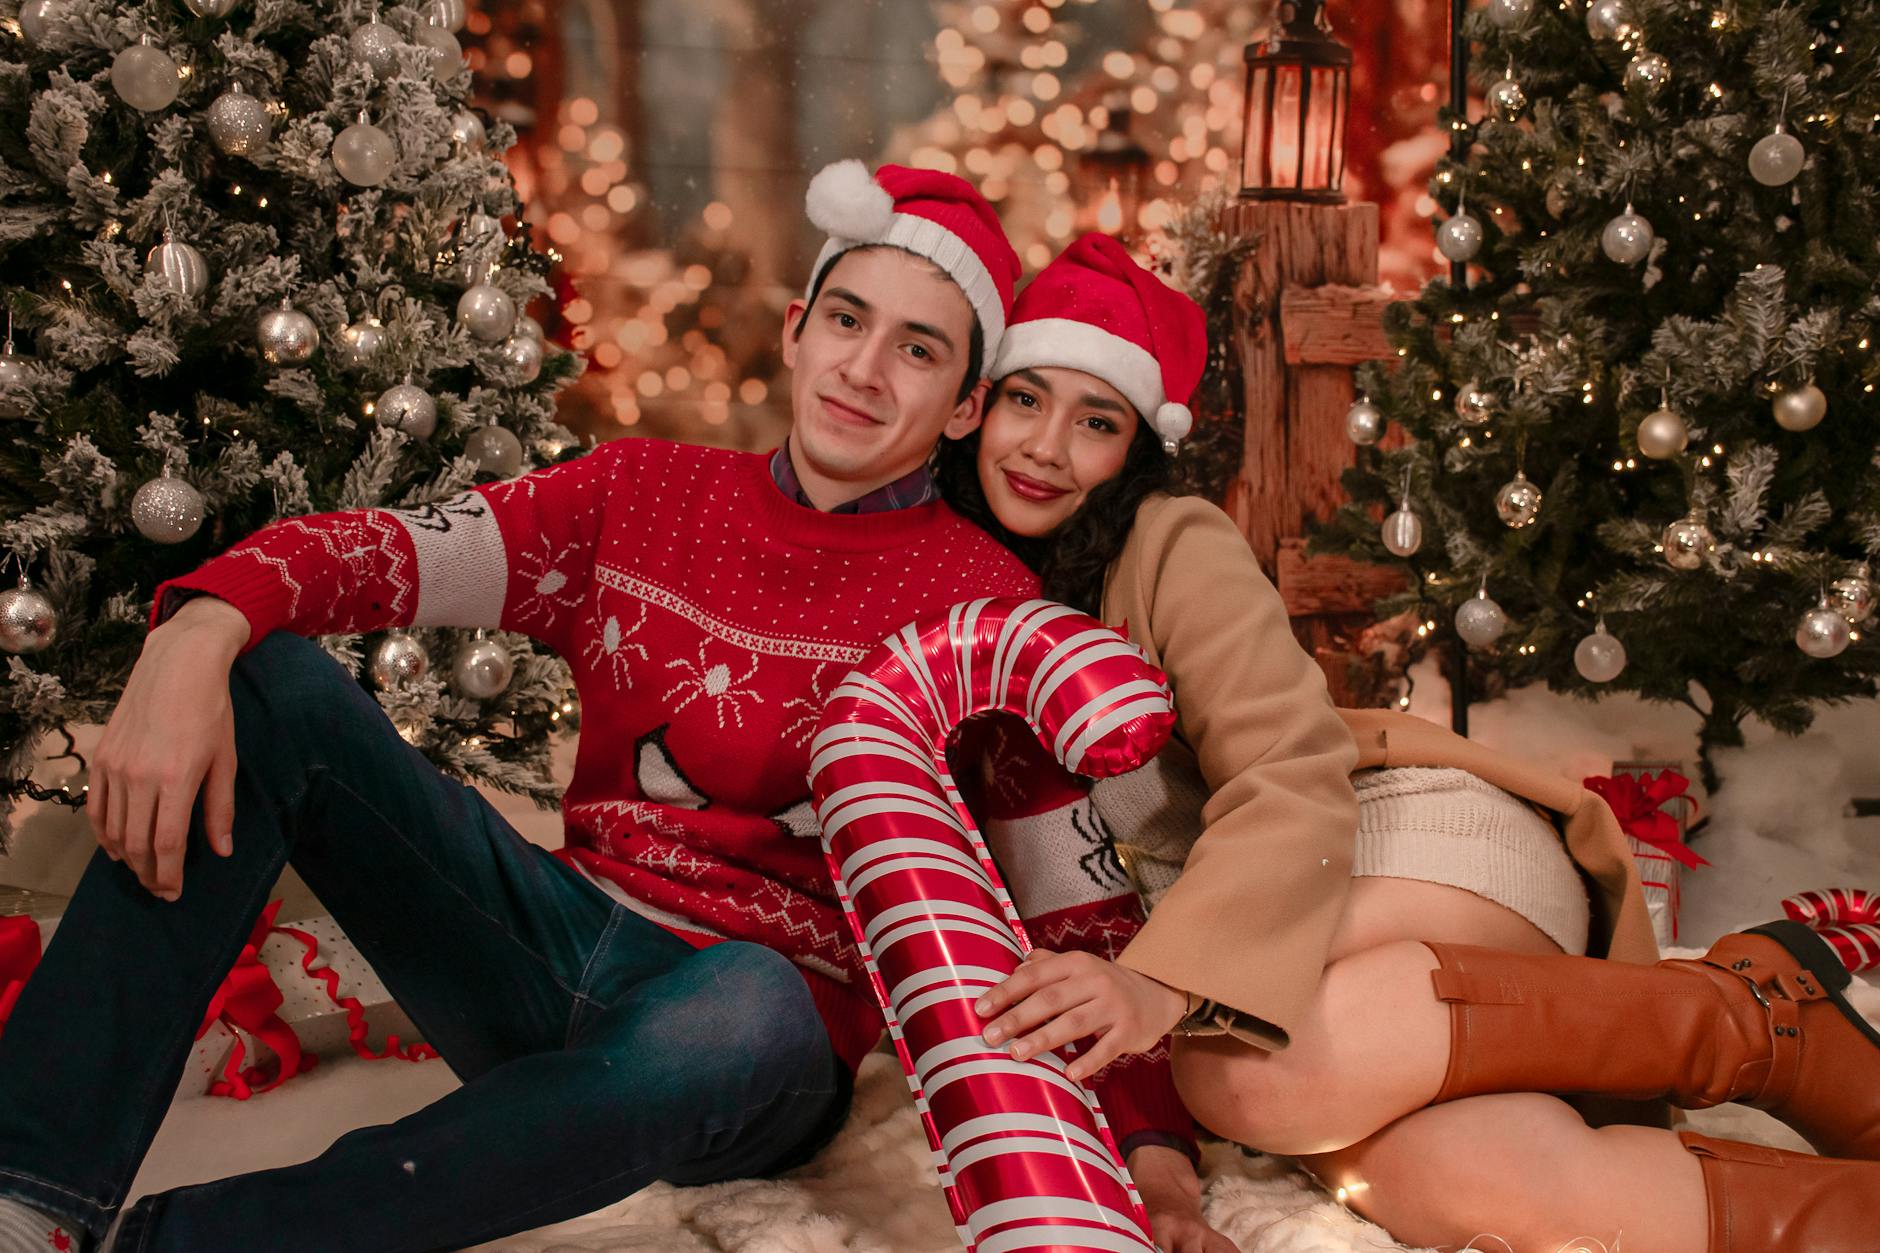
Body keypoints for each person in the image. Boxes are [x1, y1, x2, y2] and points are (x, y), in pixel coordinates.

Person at [0, 164, 1193, 1253]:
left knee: (749, 1004)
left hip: (756, 1032)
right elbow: (380, 553)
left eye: (918, 350)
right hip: (552, 936)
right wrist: (197, 628)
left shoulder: (987, 604)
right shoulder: (639, 493)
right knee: (269, 680)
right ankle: (30, 1197)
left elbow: (1077, 911)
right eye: (845, 320)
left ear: (967, 404)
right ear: (795, 330)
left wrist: (1165, 1171)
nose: (863, 370)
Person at [943, 232, 1880, 1253]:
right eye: (1024, 400)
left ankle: (1756, 1018)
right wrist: (1159, 1187)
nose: (1044, 446)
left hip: (1385, 845)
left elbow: (1290, 779)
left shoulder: (1167, 542)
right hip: (1245, 946)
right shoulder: (943, 606)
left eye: (1094, 421)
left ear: (1136, 447)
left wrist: (1162, 983)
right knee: (1470, 1179)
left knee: (1236, 1073)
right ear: (977, 405)